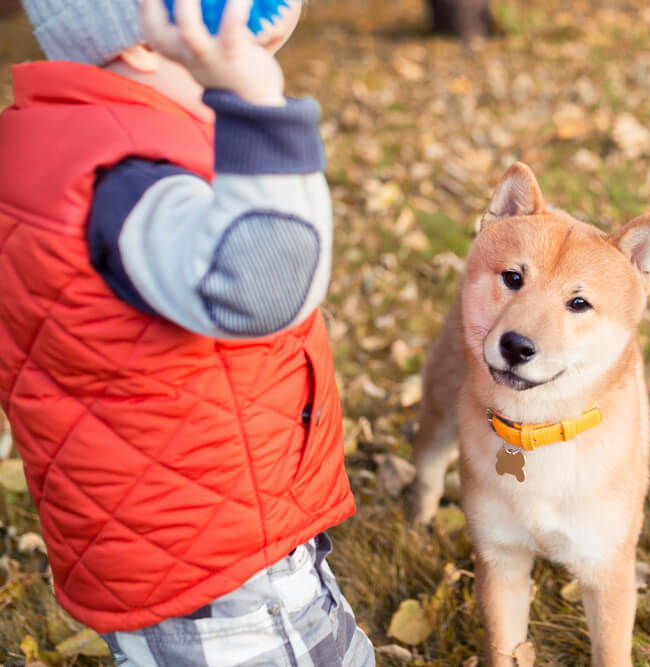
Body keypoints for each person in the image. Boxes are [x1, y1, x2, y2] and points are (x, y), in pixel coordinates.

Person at [0, 0, 375, 664]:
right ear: (149, 44)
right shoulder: (129, 185)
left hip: (164, 538)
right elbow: (263, 285)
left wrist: (250, 46)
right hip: (220, 560)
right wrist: (258, 101)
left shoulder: (60, 144)